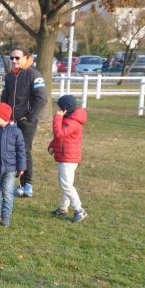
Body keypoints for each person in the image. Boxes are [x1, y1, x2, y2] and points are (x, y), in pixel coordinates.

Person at [1, 46, 48, 198]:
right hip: (11, 122)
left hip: (27, 122)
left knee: (24, 151)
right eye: (12, 58)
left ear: (26, 58)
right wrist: (3, 116)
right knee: (11, 151)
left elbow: (42, 98)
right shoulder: (9, 77)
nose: (14, 60)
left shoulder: (33, 74)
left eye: (17, 58)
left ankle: (27, 184)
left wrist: (30, 117)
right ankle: (16, 183)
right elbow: (4, 98)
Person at [48, 95, 88, 223]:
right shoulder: (69, 118)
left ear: (65, 108)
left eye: (60, 108)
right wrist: (52, 145)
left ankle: (79, 209)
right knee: (66, 184)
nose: (58, 110)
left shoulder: (73, 122)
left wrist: (58, 117)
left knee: (65, 184)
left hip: (68, 158)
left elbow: (59, 133)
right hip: (66, 156)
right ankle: (62, 208)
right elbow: (60, 137)